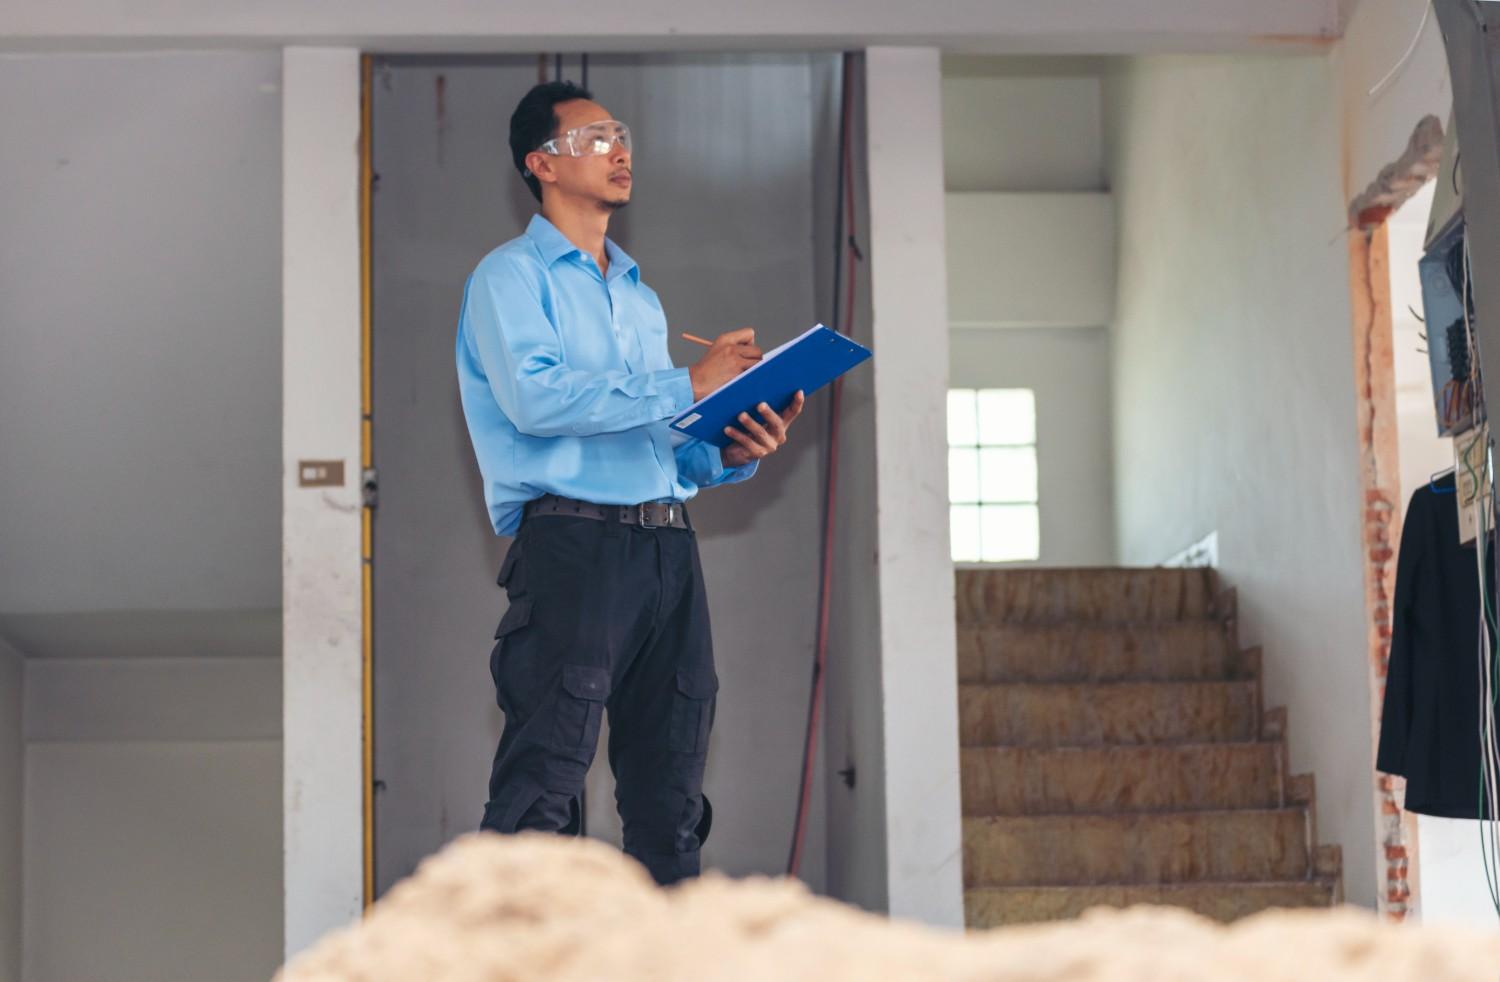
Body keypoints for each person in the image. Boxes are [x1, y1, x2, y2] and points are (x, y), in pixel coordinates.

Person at [454, 80, 804, 885]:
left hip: (668, 553)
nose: (619, 149)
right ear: (541, 163)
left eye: (622, 134)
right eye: (595, 137)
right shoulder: (509, 278)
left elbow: (662, 450)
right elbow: (536, 400)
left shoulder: (640, 299)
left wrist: (737, 442)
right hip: (572, 546)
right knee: (543, 789)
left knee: (671, 801)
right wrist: (689, 383)